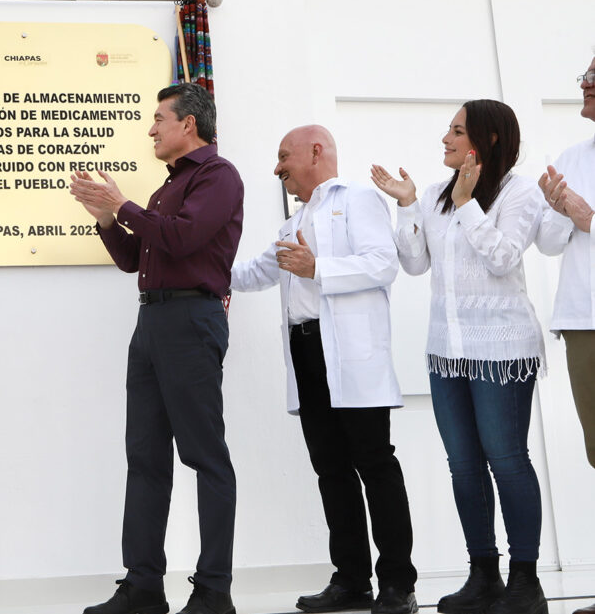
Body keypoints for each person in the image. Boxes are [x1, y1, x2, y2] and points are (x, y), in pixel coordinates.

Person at [70, 82, 243, 614]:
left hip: (192, 320)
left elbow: (183, 238)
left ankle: (214, 590)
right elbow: (133, 257)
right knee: (144, 457)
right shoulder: (167, 188)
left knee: (204, 456)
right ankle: (143, 585)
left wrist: (123, 203)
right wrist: (105, 215)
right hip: (152, 323)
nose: (151, 129)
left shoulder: (219, 176)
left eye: (158, 120)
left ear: (187, 124)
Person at [231, 125, 417, 614]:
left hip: (351, 354)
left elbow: (382, 264)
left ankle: (398, 584)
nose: (277, 168)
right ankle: (351, 580)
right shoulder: (291, 222)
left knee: (375, 466)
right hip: (306, 351)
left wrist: (320, 269)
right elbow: (256, 272)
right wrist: (202, 270)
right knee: (331, 471)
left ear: (316, 151)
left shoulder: (357, 197)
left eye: (283, 156)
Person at [372, 99, 546, 614]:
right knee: (464, 467)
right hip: (447, 354)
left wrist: (469, 203)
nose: (444, 139)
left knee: (507, 460)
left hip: (502, 350)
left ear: (487, 140)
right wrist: (407, 205)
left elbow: (503, 258)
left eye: (456, 130)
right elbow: (415, 262)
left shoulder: (521, 192)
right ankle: (483, 576)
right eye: (447, 130)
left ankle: (526, 581)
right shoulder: (433, 195)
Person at [533, 56, 595, 614]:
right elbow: (551, 244)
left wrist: (586, 215)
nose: (584, 82)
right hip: (582, 322)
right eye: (584, 74)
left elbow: (584, 221)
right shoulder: (573, 157)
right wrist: (558, 209)